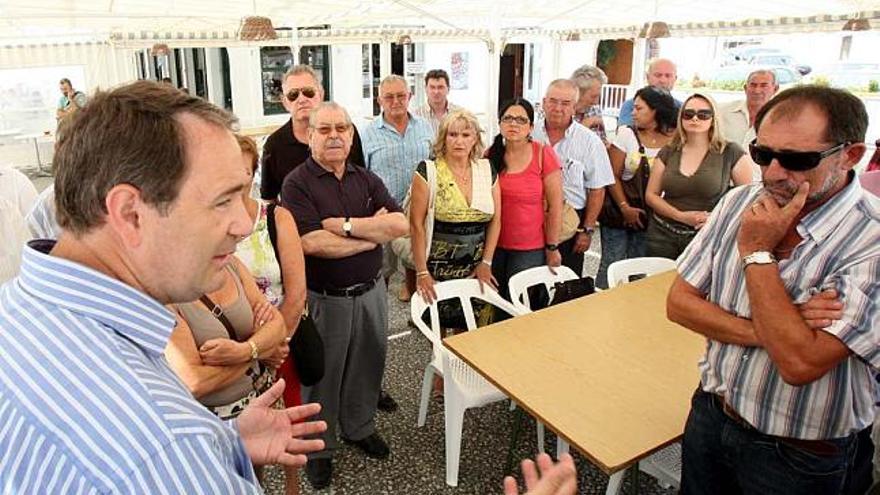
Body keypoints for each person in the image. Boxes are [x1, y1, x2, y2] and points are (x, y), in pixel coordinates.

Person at [0, 80, 326, 493]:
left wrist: (221, 443)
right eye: (223, 200)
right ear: (130, 214)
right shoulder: (163, 448)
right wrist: (190, 453)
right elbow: (150, 454)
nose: (245, 224)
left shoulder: (15, 307)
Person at [667, 85, 880, 494]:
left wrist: (758, 252)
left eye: (798, 160)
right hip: (713, 414)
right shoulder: (738, 203)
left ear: (850, 155)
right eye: (762, 154)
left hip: (799, 454)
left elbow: (798, 364)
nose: (773, 173)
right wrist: (781, 329)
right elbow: (679, 304)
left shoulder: (870, 239)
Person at [282, 102, 408, 490]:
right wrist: (372, 235)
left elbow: (400, 223)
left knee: (368, 363)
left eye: (342, 128)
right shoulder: (297, 183)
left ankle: (359, 426)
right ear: (310, 135)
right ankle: (318, 450)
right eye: (325, 129)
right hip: (325, 298)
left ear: (352, 135)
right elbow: (312, 242)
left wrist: (348, 227)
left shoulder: (365, 179)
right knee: (322, 376)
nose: (334, 135)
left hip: (371, 293)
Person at [235, 134, 308, 495]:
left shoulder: (276, 217)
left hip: (282, 344)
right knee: (244, 429)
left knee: (288, 420)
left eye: (243, 170)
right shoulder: (210, 223)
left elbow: (296, 291)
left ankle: (293, 488)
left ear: (252, 173)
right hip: (232, 349)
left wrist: (277, 345)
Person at [410, 108, 500, 320]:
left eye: (466, 135)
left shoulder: (487, 170)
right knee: (442, 338)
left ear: (475, 139)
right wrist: (422, 272)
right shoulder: (428, 170)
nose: (459, 141)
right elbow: (416, 225)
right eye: (453, 134)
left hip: (477, 272)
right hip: (437, 273)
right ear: (443, 137)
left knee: (475, 335)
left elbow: (497, 220)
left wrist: (486, 262)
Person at [645, 92, 754, 259]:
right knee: (657, 283)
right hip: (662, 234)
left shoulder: (731, 152)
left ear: (713, 119)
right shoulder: (668, 150)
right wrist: (680, 216)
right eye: (688, 114)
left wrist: (718, 218)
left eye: (703, 115)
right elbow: (651, 195)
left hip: (707, 236)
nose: (695, 119)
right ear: (681, 118)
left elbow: (747, 199)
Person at [360, 74, 433, 299]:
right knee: (382, 270)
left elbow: (433, 163)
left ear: (409, 96)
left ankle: (418, 313)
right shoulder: (367, 134)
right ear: (379, 100)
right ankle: (379, 318)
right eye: (389, 97)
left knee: (416, 265)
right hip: (385, 214)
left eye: (401, 96)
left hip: (418, 211)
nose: (396, 101)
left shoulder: (424, 127)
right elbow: (361, 176)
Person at [596, 86, 677, 288]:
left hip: (653, 213)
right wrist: (624, 207)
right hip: (619, 209)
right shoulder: (626, 134)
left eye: (639, 108)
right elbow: (612, 174)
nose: (633, 113)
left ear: (655, 111)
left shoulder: (675, 139)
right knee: (611, 264)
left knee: (639, 268)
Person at [532, 79, 614, 276]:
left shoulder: (589, 142)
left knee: (564, 283)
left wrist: (586, 231)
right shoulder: (529, 133)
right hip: (532, 216)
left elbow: (597, 189)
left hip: (570, 221)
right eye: (552, 101)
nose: (558, 108)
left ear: (575, 107)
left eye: (565, 103)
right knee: (530, 282)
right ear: (543, 103)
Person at [487, 98, 564, 300]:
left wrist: (552, 247)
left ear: (531, 126)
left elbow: (556, 206)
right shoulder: (490, 155)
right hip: (493, 246)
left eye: (521, 120)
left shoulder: (543, 154)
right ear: (500, 123)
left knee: (520, 304)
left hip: (529, 249)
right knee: (494, 304)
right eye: (508, 118)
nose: (513, 124)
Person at [260, 65, 366, 203]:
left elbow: (361, 180)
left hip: (349, 221)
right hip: (299, 223)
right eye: (293, 95)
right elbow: (269, 200)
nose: (302, 99)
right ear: (285, 102)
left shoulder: (345, 131)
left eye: (308, 92)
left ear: (321, 95)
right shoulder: (274, 145)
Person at [720, 69, 779, 150]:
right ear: (745, 88)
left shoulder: (780, 119)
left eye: (764, 85)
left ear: (775, 89)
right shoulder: (723, 111)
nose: (757, 91)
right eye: (753, 85)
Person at [617, 58, 681, 128]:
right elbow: (625, 133)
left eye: (668, 76)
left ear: (675, 79)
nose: (663, 80)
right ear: (647, 77)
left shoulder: (682, 107)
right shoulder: (631, 105)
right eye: (658, 75)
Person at [413, 68, 462, 136]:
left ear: (448, 89)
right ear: (426, 89)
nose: (436, 92)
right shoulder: (416, 117)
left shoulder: (459, 114)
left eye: (440, 87)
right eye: (432, 87)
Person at [570, 64, 608, 142]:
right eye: (593, 97)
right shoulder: (559, 111)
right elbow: (563, 147)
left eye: (598, 96)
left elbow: (601, 142)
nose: (596, 102)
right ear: (578, 93)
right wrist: (585, 125)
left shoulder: (594, 110)